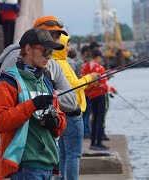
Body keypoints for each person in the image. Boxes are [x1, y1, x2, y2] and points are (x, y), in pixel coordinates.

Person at [0, 27, 67, 180]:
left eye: (51, 52)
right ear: (28, 49)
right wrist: (32, 105)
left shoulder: (46, 81)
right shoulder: (6, 84)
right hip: (25, 168)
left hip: (51, 166)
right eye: (45, 51)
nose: (49, 56)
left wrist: (56, 121)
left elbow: (61, 121)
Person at [0, 15, 77, 114]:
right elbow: (4, 106)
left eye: (57, 37)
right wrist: (38, 100)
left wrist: (47, 96)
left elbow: (71, 101)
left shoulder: (55, 66)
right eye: (47, 35)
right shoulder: (14, 58)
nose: (52, 40)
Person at [52, 34, 100, 180]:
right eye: (67, 45)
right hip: (71, 114)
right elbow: (72, 86)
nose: (69, 48)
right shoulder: (60, 63)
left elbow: (72, 86)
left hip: (66, 112)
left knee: (64, 153)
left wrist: (87, 82)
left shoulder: (60, 62)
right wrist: (89, 78)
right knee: (73, 154)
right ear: (59, 46)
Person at [81, 49, 117, 151]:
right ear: (99, 57)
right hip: (101, 96)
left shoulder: (85, 66)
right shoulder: (100, 68)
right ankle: (99, 142)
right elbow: (103, 86)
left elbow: (84, 81)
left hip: (90, 96)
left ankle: (93, 142)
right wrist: (112, 89)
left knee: (94, 119)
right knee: (100, 119)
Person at [80, 45, 92, 139]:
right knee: (86, 114)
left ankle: (86, 131)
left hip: (86, 91)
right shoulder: (82, 64)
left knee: (86, 114)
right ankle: (86, 132)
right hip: (85, 91)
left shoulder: (83, 64)